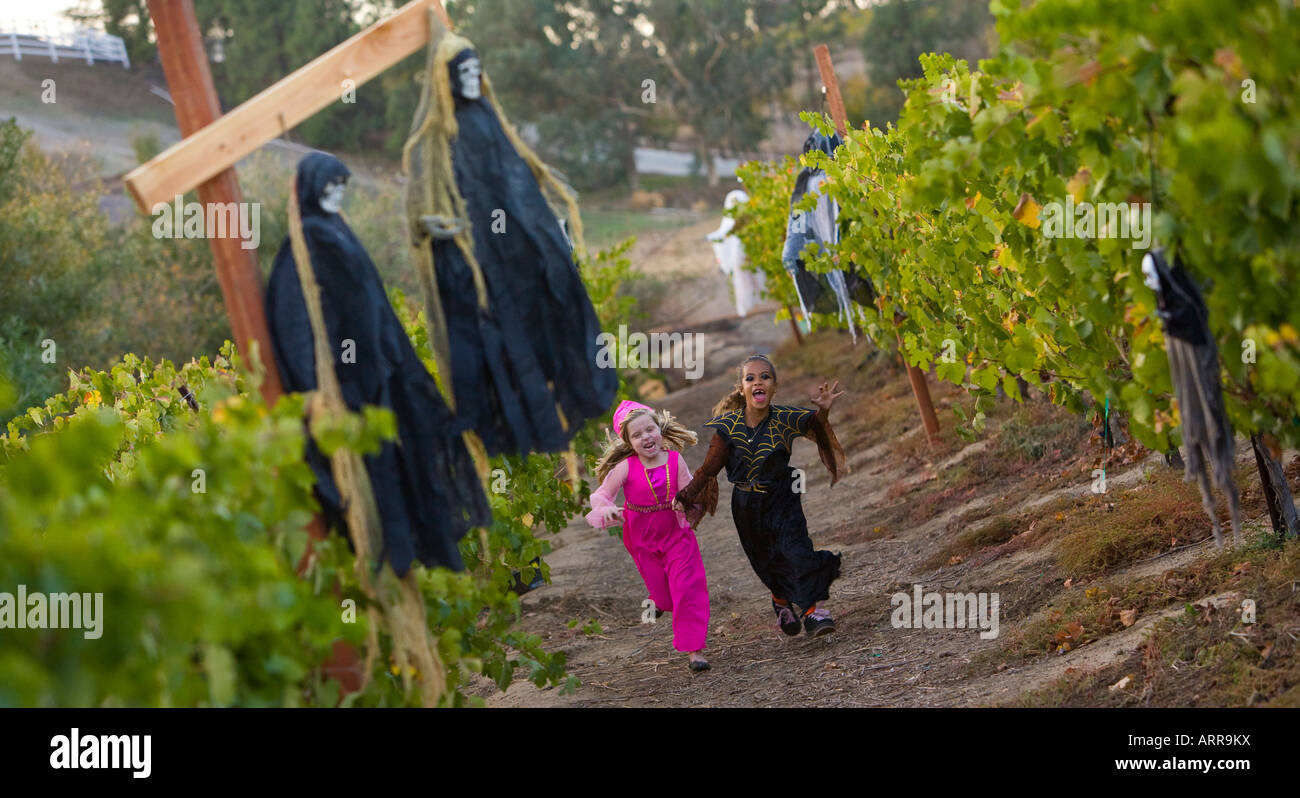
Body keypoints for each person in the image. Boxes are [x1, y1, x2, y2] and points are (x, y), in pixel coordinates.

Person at [265, 152, 491, 576]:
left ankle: (411, 557)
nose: (336, 194)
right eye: (328, 187)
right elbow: (296, 323)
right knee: (370, 479)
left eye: (341, 187)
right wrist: (319, 386)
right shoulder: (306, 244)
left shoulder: (336, 232)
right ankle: (382, 570)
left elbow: (371, 306)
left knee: (408, 454)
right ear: (311, 191)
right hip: (348, 387)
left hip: (378, 375)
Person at [676, 355, 846, 636]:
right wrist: (685, 497)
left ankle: (812, 613)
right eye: (750, 378)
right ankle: (780, 602)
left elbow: (815, 424)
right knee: (768, 560)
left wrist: (824, 411)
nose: (758, 381)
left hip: (783, 495)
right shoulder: (727, 428)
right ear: (741, 388)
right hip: (746, 505)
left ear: (774, 386)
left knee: (796, 550)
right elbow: (708, 470)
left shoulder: (786, 418)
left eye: (765, 377)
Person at [587, 400, 711, 671]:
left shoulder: (676, 462)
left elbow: (691, 492)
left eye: (649, 430)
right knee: (665, 598)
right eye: (637, 434)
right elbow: (600, 495)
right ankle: (657, 599)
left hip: (677, 535)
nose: (646, 437)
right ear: (629, 443)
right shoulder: (625, 468)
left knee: (686, 589)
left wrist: (686, 501)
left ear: (660, 429)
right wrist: (607, 509)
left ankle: (694, 651)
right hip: (641, 538)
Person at [707, 189, 766, 318]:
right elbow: (723, 234)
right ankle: (750, 305)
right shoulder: (729, 220)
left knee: (757, 277)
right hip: (739, 257)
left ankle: (760, 301)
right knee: (743, 281)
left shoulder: (750, 217)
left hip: (755, 254)